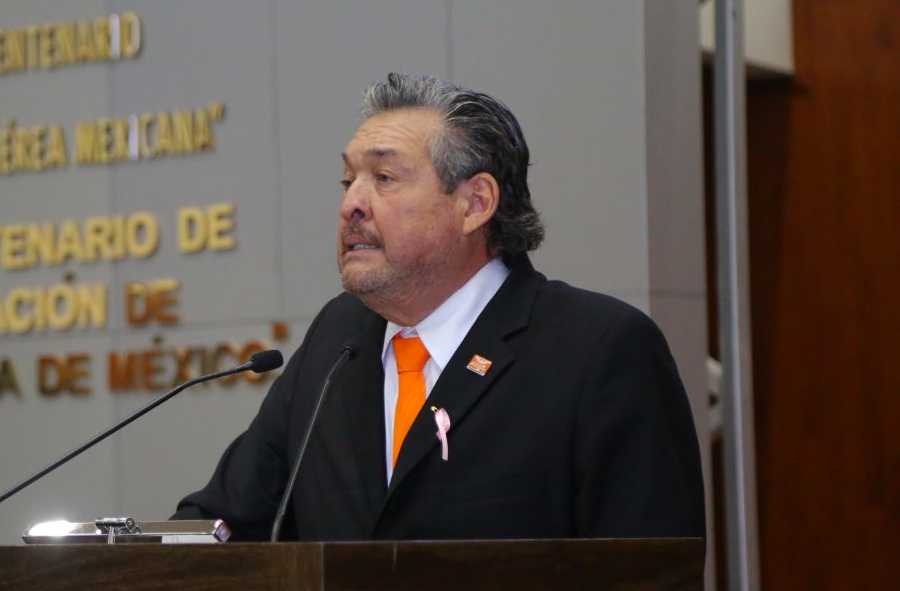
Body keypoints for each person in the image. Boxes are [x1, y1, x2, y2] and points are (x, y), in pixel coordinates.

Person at [174, 73, 705, 542]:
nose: (350, 204)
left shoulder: (597, 348)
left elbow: (651, 589)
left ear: (475, 203)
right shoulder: (338, 339)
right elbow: (225, 522)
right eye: (348, 180)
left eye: (384, 178)